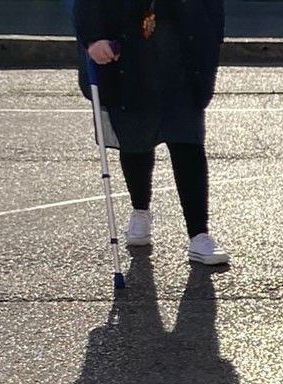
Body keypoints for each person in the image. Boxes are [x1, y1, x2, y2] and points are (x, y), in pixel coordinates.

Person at [74, 0, 228, 266]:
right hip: (129, 54)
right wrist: (92, 39)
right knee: (134, 141)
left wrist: (213, 34)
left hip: (181, 52)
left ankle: (199, 234)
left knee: (188, 142)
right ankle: (140, 211)